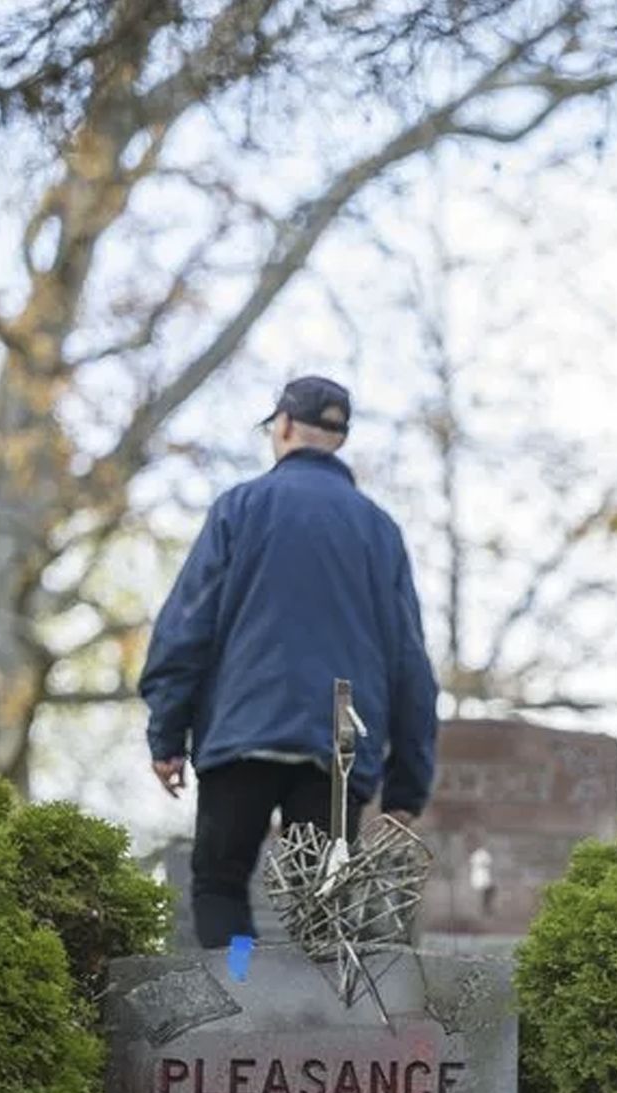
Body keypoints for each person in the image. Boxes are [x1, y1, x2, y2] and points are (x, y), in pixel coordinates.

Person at [140, 375, 438, 947]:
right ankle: (309, 1026)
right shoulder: (380, 531)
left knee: (222, 886)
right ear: (339, 439)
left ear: (281, 426)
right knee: (318, 904)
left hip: (241, 736)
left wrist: (167, 736)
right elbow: (410, 662)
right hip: (338, 747)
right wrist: (406, 787)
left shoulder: (239, 508)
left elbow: (185, 629)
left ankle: (240, 989)